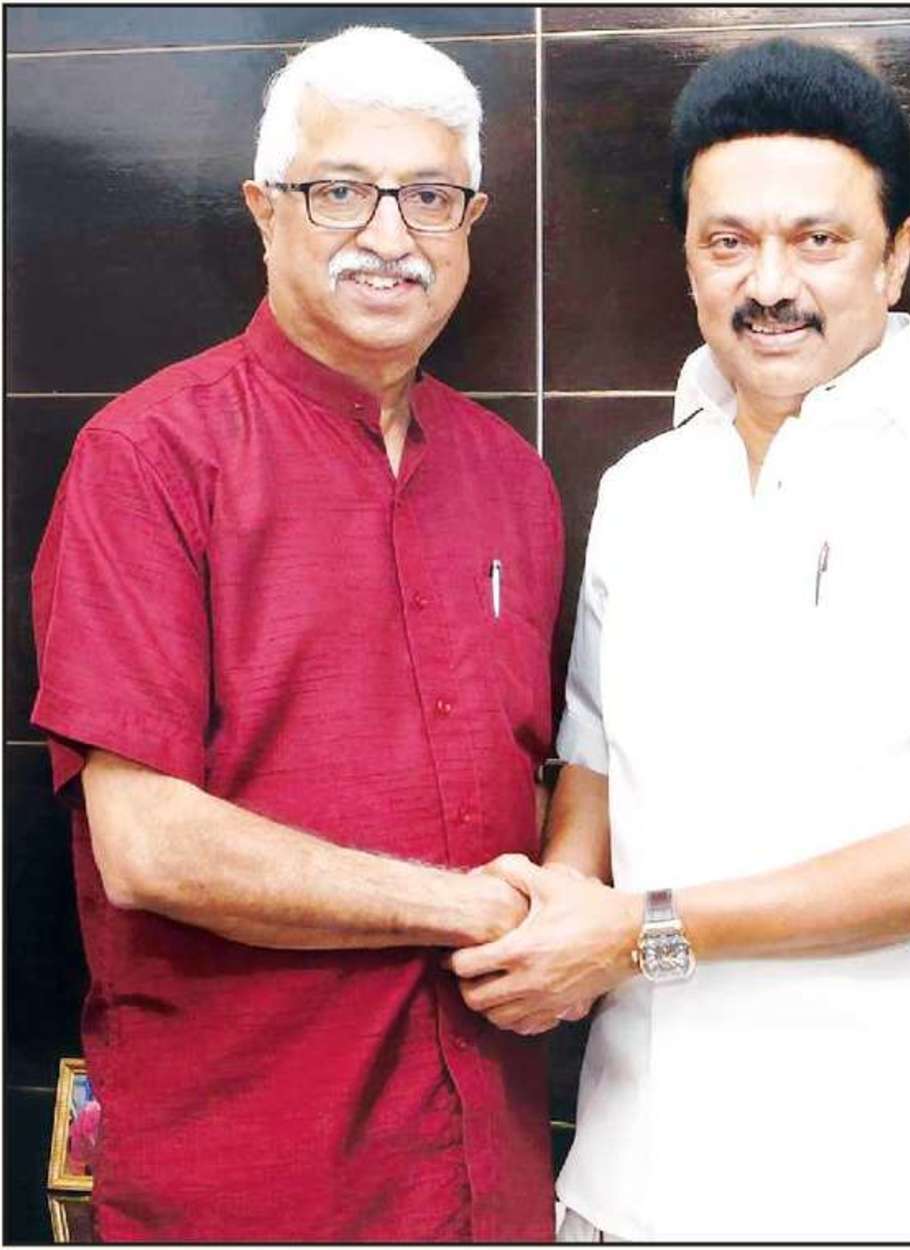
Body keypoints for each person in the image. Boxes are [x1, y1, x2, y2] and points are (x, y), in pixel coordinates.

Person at [451, 38, 910, 1242]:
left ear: (896, 254)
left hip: (877, 1197)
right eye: (728, 241)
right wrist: (560, 910)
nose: (769, 283)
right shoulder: (641, 488)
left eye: (817, 239)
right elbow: (597, 768)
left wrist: (639, 931)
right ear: (686, 256)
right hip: (628, 1182)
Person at [31, 25, 562, 1243]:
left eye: (429, 196)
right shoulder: (149, 457)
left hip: (488, 1171)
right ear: (265, 211)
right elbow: (150, 846)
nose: (390, 235)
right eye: (341, 191)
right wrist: (470, 909)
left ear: (470, 223)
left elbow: (538, 780)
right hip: (253, 1177)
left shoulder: (512, 479)